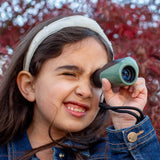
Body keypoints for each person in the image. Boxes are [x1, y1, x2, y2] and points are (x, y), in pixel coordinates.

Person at [0, 15, 159, 160]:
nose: (85, 91)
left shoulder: (111, 154)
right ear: (29, 86)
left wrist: (127, 123)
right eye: (69, 74)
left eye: (96, 80)